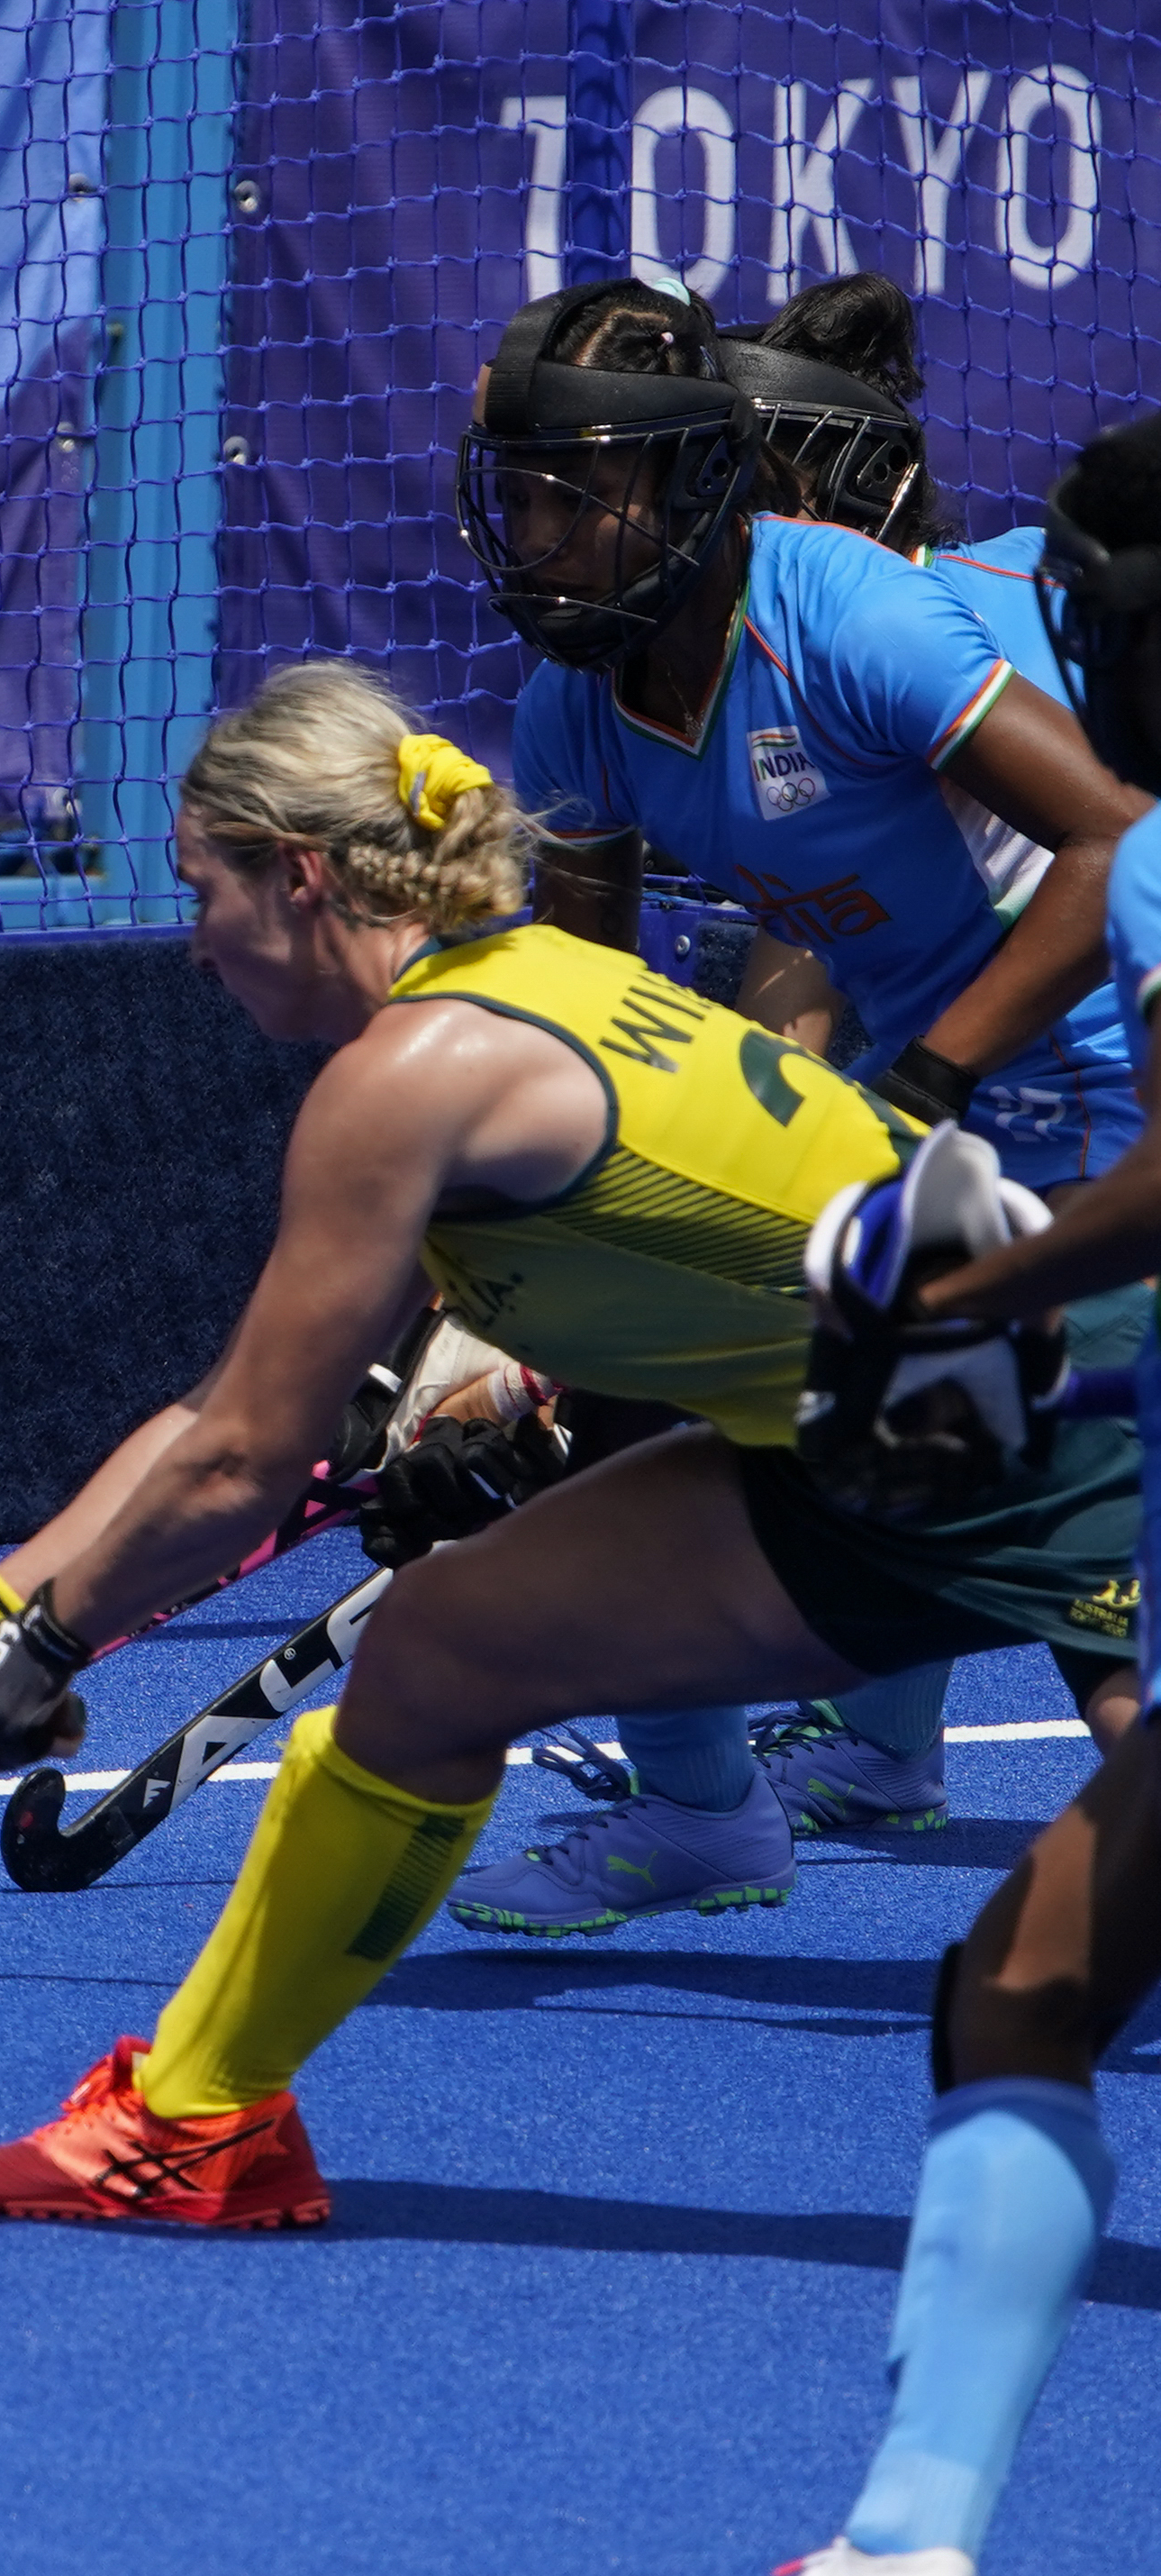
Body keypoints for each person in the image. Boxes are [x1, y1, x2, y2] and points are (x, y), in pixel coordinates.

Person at [0, 658, 1138, 2230]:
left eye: (204, 890)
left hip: (1081, 1425)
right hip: (867, 1448)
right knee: (442, 1648)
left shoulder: (406, 1078)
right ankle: (198, 2124)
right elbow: (222, 1418)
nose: (192, 943)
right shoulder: (524, 989)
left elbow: (236, 1464)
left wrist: (35, 1651)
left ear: (299, 877)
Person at [447, 277, 1150, 1936]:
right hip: (941, 1116)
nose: (536, 534)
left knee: (1088, 1526)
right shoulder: (576, 712)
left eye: (576, 496)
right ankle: (699, 1812)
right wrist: (495, 1311)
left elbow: (1119, 843)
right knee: (649, 1353)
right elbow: (581, 1020)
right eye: (520, 496)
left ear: (687, 487)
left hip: (1112, 1083)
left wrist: (924, 1085)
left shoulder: (845, 615)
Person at [678, 410, 1161, 2576]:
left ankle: (893, 2572)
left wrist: (958, 1295)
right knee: (1025, 1974)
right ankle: (885, 2574)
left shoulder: (1142, 875)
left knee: (1022, 1997)